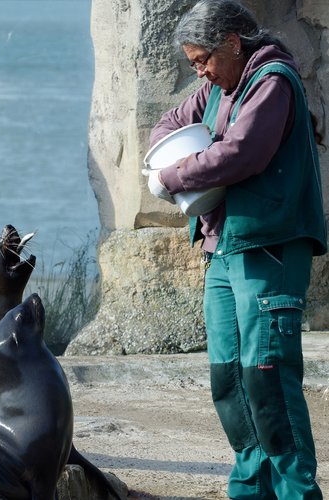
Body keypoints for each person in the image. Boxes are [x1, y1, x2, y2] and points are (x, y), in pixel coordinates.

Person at [146, 1, 327, 498]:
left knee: (267, 375)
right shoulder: (213, 88)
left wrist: (174, 176)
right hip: (223, 247)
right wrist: (177, 159)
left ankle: (295, 493)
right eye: (192, 63)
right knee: (228, 379)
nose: (198, 70)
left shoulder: (271, 81)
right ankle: (250, 489)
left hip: (269, 246)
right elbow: (166, 127)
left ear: (232, 42)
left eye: (202, 59)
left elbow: (243, 153)